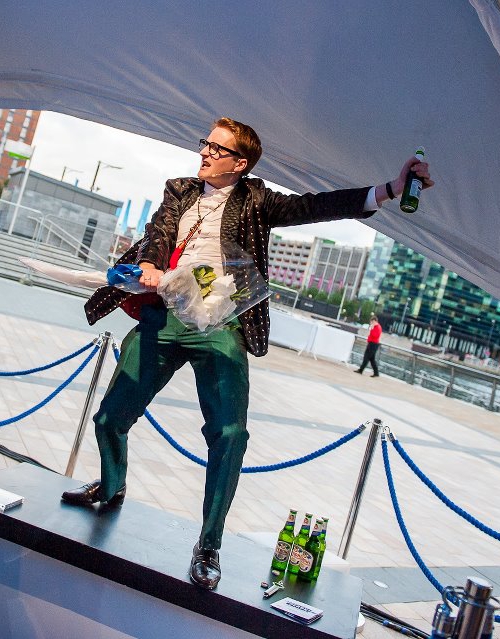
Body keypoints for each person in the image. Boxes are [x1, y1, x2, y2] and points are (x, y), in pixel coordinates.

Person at [61, 117, 434, 589]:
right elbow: (159, 232)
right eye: (205, 144)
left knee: (230, 434)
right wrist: (150, 266)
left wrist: (391, 189)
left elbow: (314, 206)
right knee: (109, 418)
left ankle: (209, 544)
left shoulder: (256, 199)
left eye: (216, 149)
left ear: (239, 163)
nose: (204, 152)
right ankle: (111, 486)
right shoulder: (180, 190)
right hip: (165, 315)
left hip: (220, 323)